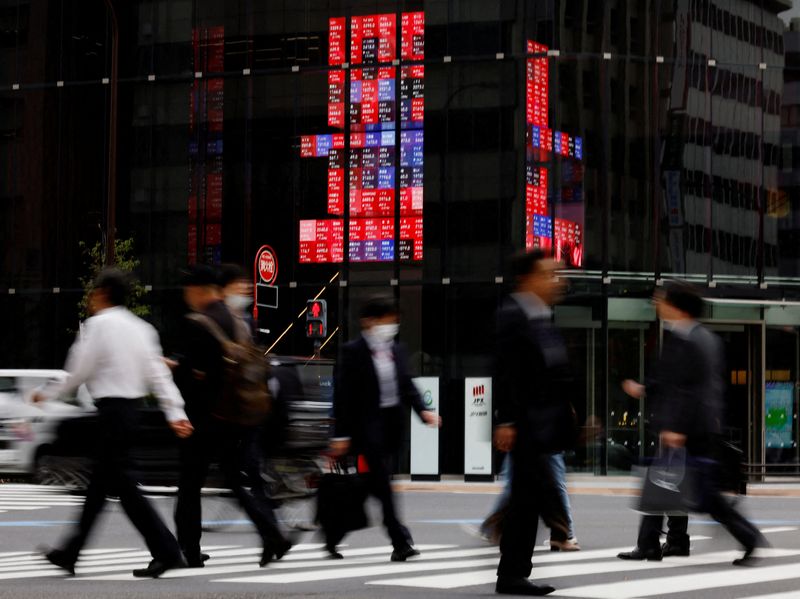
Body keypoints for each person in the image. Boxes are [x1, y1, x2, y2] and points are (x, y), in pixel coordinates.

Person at [34, 268, 192, 578]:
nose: (91, 300)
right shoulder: (143, 329)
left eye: (93, 293)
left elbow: (78, 371)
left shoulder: (97, 326)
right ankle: (71, 552)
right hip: (132, 413)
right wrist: (177, 413)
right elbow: (158, 376)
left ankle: (168, 550)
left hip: (110, 413)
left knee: (124, 487)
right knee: (99, 486)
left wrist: (46, 392)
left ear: (102, 293)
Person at [617, 282, 767, 566]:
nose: (656, 303)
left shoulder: (692, 340)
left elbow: (694, 389)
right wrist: (644, 389)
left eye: (661, 299)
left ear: (677, 306)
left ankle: (748, 536)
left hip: (690, 430)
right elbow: (673, 381)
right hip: (689, 427)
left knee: (704, 496)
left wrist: (678, 428)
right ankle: (650, 544)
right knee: (662, 483)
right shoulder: (690, 336)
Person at [172, 265, 290, 568]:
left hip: (201, 420)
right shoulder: (238, 322)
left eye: (188, 293)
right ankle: (272, 534)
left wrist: (177, 369)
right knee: (236, 483)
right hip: (236, 416)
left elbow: (195, 375)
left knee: (189, 485)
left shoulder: (196, 322)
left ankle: (190, 549)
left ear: (197, 291)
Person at [329, 295, 441, 561]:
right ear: (369, 322)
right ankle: (400, 541)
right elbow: (344, 396)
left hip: (390, 426)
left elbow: (406, 384)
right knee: (383, 484)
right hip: (366, 428)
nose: (392, 325)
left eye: (394, 320)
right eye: (387, 320)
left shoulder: (396, 350)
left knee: (370, 487)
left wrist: (423, 411)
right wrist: (341, 435)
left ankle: (333, 533)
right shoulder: (353, 351)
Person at [493, 250, 576, 597]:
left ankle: (513, 570)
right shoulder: (513, 315)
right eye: (549, 274)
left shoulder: (541, 316)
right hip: (525, 423)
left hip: (544, 425)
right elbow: (505, 371)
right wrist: (506, 419)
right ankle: (513, 572)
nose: (556, 281)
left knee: (526, 497)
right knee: (530, 496)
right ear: (527, 279)